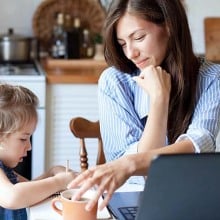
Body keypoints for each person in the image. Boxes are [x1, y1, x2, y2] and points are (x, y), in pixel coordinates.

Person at [68, 0, 220, 211]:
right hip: (134, 201)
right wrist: (159, 100)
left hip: (190, 201)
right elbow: (140, 175)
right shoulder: (114, 82)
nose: (130, 53)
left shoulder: (212, 78)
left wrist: (130, 163)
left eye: (138, 37)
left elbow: (198, 143)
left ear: (169, 26)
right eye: (122, 43)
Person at [0, 84, 77, 219]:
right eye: (23, 139)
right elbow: (12, 197)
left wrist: (51, 173)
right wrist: (58, 182)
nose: (29, 146)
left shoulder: (6, 170)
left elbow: (29, 189)